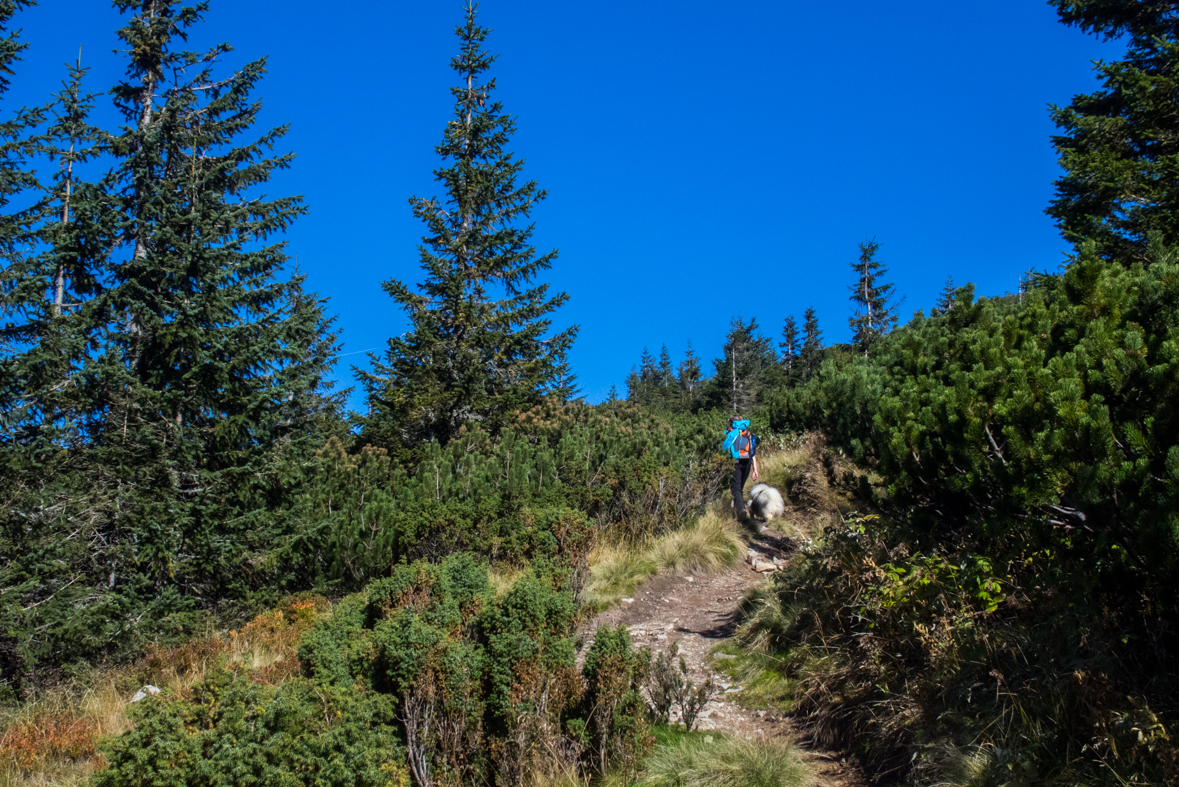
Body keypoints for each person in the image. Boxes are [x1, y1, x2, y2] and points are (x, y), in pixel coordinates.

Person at [721, 417, 759, 519]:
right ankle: (739, 509)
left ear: (731, 424)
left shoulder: (730, 434)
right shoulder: (747, 434)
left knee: (736, 488)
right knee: (740, 488)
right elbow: (753, 453)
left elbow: (723, 450)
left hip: (735, 463)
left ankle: (741, 510)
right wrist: (755, 470)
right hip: (747, 463)